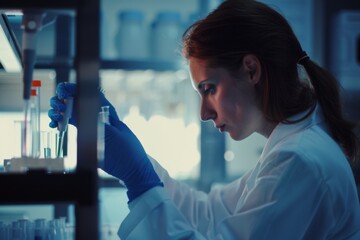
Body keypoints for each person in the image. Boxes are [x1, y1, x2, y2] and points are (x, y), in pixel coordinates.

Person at [48, 0, 360, 239]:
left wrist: (140, 181)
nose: (204, 113)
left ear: (252, 70)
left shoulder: (298, 161)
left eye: (208, 89)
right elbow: (207, 213)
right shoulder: (292, 147)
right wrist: (139, 161)